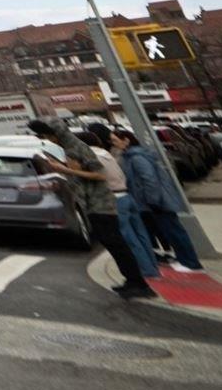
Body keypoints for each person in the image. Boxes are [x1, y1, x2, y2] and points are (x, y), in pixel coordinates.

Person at [27, 118, 154, 299]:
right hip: (92, 202)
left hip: (100, 202)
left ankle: (138, 283)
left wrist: (64, 170)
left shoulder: (77, 147)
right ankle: (132, 280)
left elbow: (99, 174)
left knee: (116, 242)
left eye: (47, 135)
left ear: (57, 134)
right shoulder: (68, 147)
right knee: (112, 242)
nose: (47, 139)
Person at [112, 126, 205, 274]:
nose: (114, 144)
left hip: (156, 202)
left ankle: (191, 263)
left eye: (116, 141)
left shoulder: (137, 158)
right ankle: (185, 260)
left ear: (126, 140)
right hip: (154, 201)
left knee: (174, 232)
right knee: (172, 231)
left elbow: (149, 180)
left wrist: (152, 201)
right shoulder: (134, 156)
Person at [84, 125, 157, 280]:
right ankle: (152, 267)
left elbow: (97, 177)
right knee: (141, 234)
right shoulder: (106, 153)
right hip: (126, 196)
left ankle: (145, 270)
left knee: (128, 239)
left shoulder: (92, 157)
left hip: (115, 199)